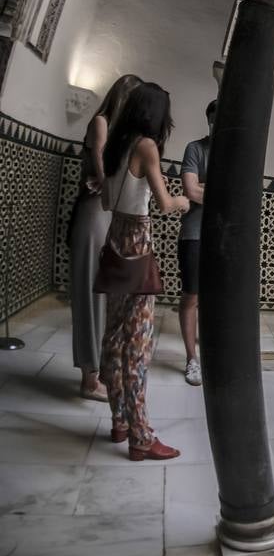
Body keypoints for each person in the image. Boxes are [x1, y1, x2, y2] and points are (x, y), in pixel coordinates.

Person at [97, 83, 190, 461]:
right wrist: (182, 201)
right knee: (138, 345)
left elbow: (106, 199)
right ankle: (141, 437)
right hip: (137, 246)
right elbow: (166, 203)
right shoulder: (146, 146)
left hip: (114, 244)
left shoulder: (116, 144)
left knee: (115, 336)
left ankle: (119, 420)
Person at [69, 73, 142, 401]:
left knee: (107, 292)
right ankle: (89, 378)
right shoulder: (101, 121)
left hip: (109, 211)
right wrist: (108, 182)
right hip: (94, 211)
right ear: (123, 98)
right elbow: (101, 167)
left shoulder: (124, 133)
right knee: (89, 290)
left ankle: (99, 370)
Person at [176, 100, 215, 387]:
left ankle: (215, 354)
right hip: (195, 234)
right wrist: (222, 191)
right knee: (192, 296)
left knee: (216, 299)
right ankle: (191, 359)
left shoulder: (237, 152)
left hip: (225, 236)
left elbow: (243, 193)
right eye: (213, 121)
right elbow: (189, 190)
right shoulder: (195, 149)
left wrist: (204, 186)